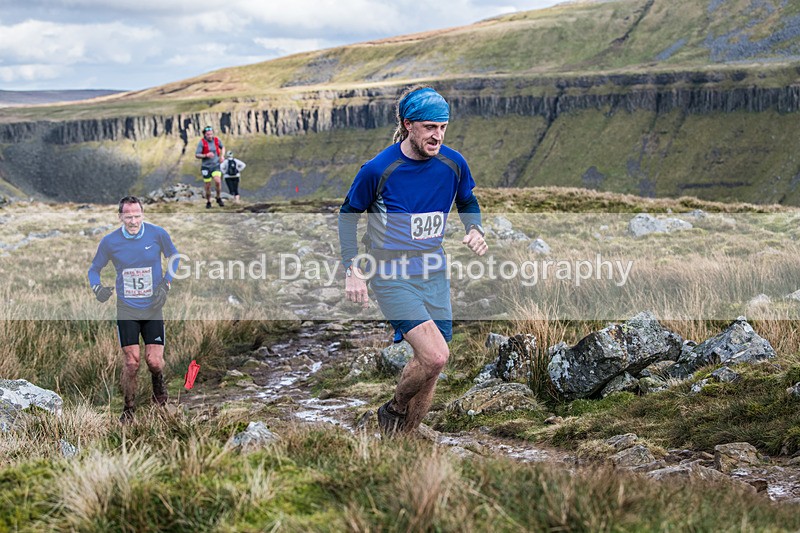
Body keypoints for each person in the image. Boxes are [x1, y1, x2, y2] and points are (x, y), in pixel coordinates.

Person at [338, 86, 488, 435]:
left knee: (432, 364)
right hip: (390, 274)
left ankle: (402, 437)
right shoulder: (379, 169)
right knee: (437, 356)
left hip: (434, 273)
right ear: (408, 125)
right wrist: (353, 270)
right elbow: (348, 216)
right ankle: (393, 409)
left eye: (443, 127)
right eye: (429, 128)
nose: (437, 135)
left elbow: (467, 200)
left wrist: (474, 228)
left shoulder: (453, 163)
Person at [88, 196, 179, 422]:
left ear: (143, 214)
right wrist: (97, 288)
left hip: (153, 307)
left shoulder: (157, 234)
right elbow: (94, 269)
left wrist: (166, 283)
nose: (133, 221)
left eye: (137, 215)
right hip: (127, 308)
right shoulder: (110, 242)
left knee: (154, 361)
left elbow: (175, 258)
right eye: (128, 217)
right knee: (132, 362)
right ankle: (128, 409)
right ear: (120, 217)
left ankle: (158, 386)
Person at [195, 125, 226, 208]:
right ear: (205, 134)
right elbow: (197, 155)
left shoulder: (216, 140)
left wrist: (222, 156)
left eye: (211, 134)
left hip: (215, 165)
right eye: (208, 134)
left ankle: (218, 197)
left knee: (218, 181)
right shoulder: (202, 142)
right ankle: (208, 202)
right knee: (208, 185)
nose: (210, 136)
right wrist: (206, 155)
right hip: (206, 167)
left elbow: (222, 147)